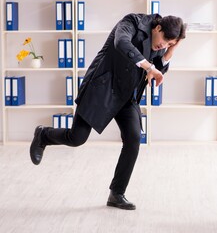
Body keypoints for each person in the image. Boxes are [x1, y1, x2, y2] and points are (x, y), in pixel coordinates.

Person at [30, 13, 186, 210]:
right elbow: (121, 44)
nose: (163, 46)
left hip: (127, 95)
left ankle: (116, 193)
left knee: (133, 139)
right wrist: (148, 66)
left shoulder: (160, 45)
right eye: (165, 41)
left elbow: (156, 70)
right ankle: (43, 134)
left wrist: (170, 52)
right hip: (102, 87)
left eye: (169, 44)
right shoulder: (131, 22)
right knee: (77, 138)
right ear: (157, 28)